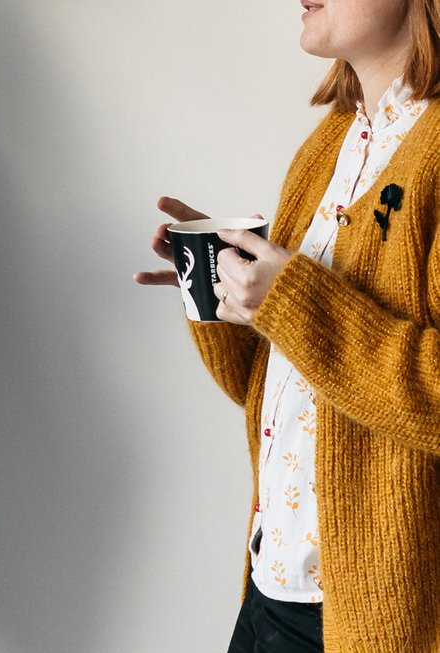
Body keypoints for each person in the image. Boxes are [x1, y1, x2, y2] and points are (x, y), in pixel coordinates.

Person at [136, 0, 440, 650]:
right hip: (271, 589)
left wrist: (295, 303)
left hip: (370, 623)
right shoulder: (331, 143)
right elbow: (286, 383)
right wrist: (225, 298)